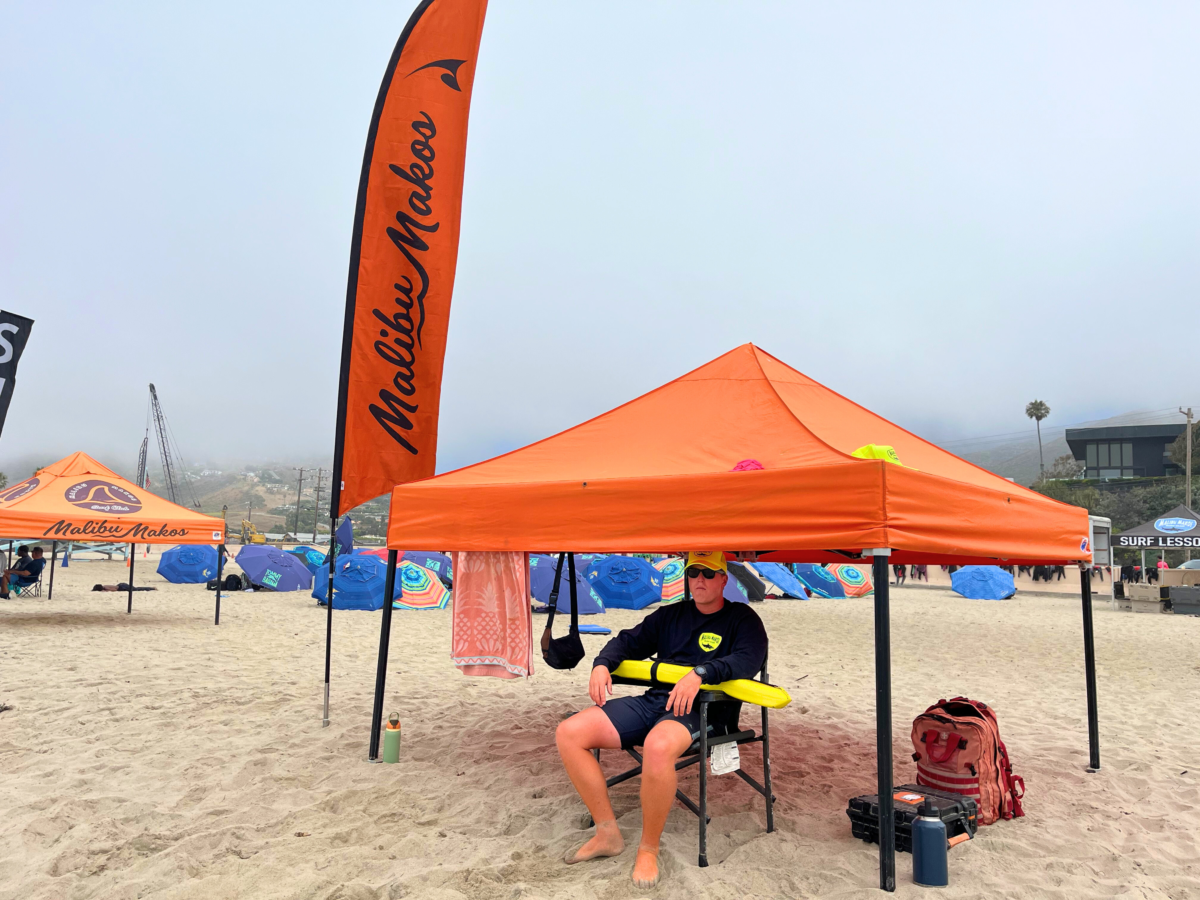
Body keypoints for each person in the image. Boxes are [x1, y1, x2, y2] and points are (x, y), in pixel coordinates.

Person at [554, 551, 768, 888]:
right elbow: (628, 640)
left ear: (724, 579)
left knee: (657, 745)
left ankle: (648, 849)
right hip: (657, 701)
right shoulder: (671, 615)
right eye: (693, 572)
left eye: (709, 573)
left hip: (707, 709)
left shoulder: (742, 619)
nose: (699, 579)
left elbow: (748, 659)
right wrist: (601, 663)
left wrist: (702, 672)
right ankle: (607, 832)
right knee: (570, 732)